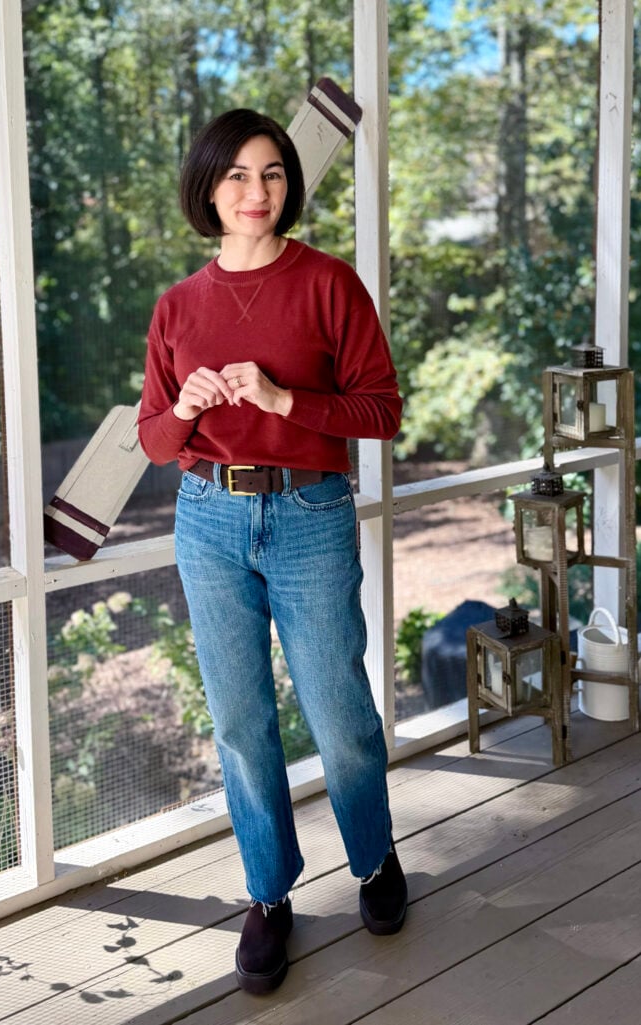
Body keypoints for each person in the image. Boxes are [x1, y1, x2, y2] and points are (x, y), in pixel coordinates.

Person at [138, 108, 407, 995]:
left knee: (339, 715)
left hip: (310, 514)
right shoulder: (176, 306)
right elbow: (152, 437)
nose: (257, 193)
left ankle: (372, 859)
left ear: (289, 185)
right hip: (207, 519)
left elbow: (381, 410)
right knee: (241, 723)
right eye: (237, 176)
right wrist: (186, 411)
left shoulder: (330, 284)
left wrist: (288, 401)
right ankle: (267, 893)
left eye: (273, 175)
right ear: (207, 189)